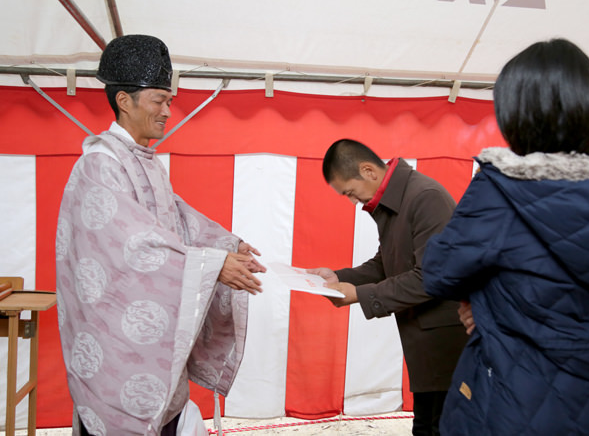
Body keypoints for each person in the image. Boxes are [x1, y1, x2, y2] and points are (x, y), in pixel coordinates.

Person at [422, 38, 589, 436]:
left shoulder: (502, 187)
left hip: (508, 390)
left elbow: (439, 271)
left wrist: (482, 305)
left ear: (517, 114)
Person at [55, 34, 266, 435]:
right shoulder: (99, 165)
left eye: (169, 101)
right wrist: (214, 265)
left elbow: (177, 218)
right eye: (159, 100)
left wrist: (227, 245)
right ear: (124, 101)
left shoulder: (142, 161)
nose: (168, 111)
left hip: (148, 350)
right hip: (116, 346)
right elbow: (134, 246)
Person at [308, 139, 468, 436]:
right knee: (425, 424)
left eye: (351, 193)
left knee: (439, 426)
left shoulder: (424, 197)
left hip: (445, 341)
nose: (354, 202)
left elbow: (430, 277)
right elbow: (386, 263)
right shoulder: (397, 200)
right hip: (424, 339)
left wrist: (359, 295)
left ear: (368, 170)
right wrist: (337, 276)